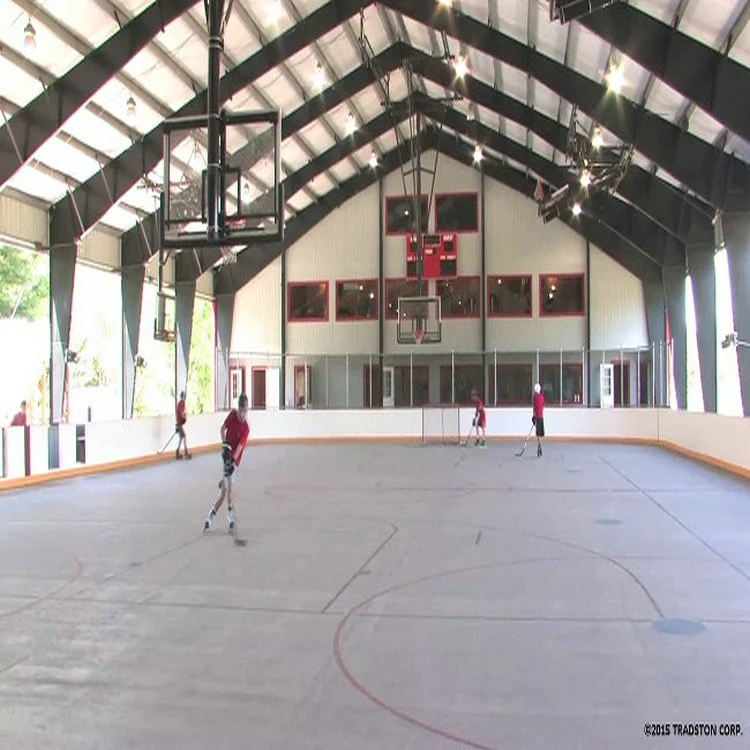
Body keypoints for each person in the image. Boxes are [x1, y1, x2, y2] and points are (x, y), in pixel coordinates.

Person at [204, 393, 250, 533]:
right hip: (226, 454)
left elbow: (240, 447)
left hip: (234, 460)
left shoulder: (246, 428)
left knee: (226, 490)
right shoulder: (232, 415)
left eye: (245, 412)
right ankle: (227, 517)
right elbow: (222, 429)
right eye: (241, 411)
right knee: (226, 490)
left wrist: (232, 460)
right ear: (238, 409)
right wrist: (224, 445)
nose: (242, 415)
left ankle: (213, 516)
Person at [175, 391, 191, 460]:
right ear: (184, 396)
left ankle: (177, 452)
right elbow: (181, 413)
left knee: (182, 437)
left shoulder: (179, 403)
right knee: (184, 436)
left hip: (179, 423)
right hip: (179, 423)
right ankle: (186, 452)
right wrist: (184, 416)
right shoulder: (182, 403)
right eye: (185, 395)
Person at [532, 383, 545, 457]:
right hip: (541, 417)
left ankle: (539, 445)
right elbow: (542, 406)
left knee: (537, 433)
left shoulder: (535, 398)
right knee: (540, 433)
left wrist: (533, 416)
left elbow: (534, 408)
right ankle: (539, 445)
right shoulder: (542, 398)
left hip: (537, 417)